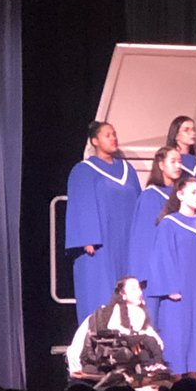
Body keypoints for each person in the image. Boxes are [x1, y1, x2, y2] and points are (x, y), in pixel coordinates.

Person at [66, 120, 143, 323]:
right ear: (95, 141)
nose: (113, 138)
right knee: (102, 291)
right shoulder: (84, 170)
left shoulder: (127, 169)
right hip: (101, 243)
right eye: (107, 135)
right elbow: (80, 204)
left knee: (129, 289)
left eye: (114, 134)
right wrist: (87, 238)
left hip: (126, 240)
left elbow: (138, 203)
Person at [147, 176, 196, 377]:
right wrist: (170, 287)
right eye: (193, 192)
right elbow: (162, 257)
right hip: (179, 293)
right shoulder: (169, 224)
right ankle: (177, 387)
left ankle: (195, 386)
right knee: (179, 341)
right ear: (180, 195)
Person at [127, 146, 182, 323]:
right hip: (157, 276)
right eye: (173, 161)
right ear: (161, 165)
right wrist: (144, 277)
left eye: (179, 161)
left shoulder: (182, 195)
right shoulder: (150, 196)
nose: (178, 166)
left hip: (180, 271)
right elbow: (144, 241)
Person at [72, 276, 166, 378]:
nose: (139, 292)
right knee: (147, 340)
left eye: (139, 288)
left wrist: (153, 339)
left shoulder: (139, 312)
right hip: (114, 344)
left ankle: (157, 365)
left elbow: (150, 333)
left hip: (127, 345)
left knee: (150, 343)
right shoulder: (116, 310)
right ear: (123, 294)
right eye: (133, 289)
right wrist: (136, 337)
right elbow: (113, 328)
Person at [166, 114, 196, 180]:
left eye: (193, 129)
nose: (193, 133)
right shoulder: (168, 160)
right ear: (176, 135)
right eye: (186, 130)